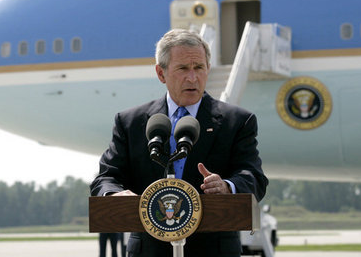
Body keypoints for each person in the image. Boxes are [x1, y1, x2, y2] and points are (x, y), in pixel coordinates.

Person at [90, 29, 268, 257]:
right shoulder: (130, 122)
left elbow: (254, 177)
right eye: (183, 68)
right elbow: (106, 178)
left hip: (215, 250)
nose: (193, 78)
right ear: (161, 73)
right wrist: (114, 195)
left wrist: (227, 186)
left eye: (199, 68)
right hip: (149, 251)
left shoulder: (238, 121)